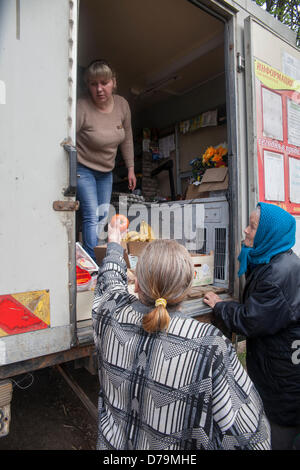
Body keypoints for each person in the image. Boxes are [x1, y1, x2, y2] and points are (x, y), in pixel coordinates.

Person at [91, 222, 271, 450]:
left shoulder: (110, 315)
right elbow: (249, 435)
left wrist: (115, 243)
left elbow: (110, 282)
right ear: (187, 288)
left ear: (136, 284)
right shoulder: (209, 345)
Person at [204, 202, 300, 450]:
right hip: (279, 364)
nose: (245, 230)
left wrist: (219, 306)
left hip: (283, 377)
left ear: (268, 234)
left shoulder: (277, 275)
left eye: (253, 227)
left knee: (277, 434)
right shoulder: (277, 259)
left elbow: (250, 319)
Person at [76, 59, 136, 260]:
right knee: (91, 216)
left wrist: (130, 168)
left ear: (114, 82)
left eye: (104, 83)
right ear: (88, 86)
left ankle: (95, 259)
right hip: (83, 168)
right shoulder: (81, 107)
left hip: (106, 171)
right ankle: (94, 265)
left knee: (103, 216)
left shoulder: (122, 105)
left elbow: (127, 137)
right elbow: (65, 137)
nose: (99, 89)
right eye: (94, 84)